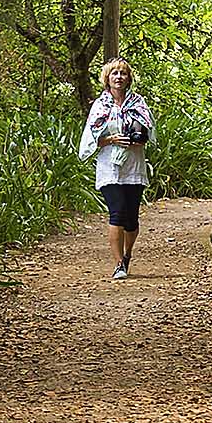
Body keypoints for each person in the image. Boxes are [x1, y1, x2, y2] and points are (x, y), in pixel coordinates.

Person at [79, 57, 155, 279]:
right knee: (117, 212)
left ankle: (127, 253)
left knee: (131, 219)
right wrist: (111, 139)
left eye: (123, 73)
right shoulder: (100, 106)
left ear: (129, 78)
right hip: (110, 167)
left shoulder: (138, 103)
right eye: (115, 73)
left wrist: (139, 139)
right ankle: (118, 264)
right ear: (107, 78)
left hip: (133, 165)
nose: (119, 77)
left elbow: (148, 130)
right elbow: (93, 139)